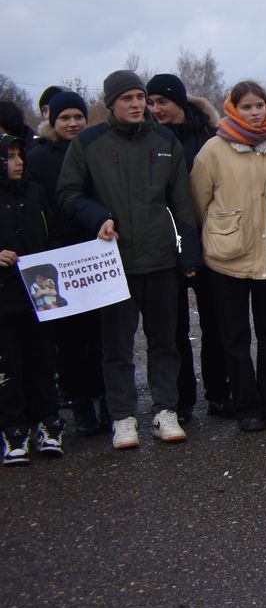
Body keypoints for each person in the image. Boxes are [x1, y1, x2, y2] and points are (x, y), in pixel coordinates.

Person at [57, 70, 199, 449]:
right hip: (114, 263)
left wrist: (189, 253)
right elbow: (68, 193)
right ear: (112, 104)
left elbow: (182, 201)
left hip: (161, 259)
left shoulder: (165, 140)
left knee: (165, 341)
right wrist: (98, 217)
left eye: (141, 97)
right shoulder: (89, 143)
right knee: (117, 345)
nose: (138, 104)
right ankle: (123, 417)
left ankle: (165, 411)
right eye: (129, 99)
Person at [189, 81, 266, 432]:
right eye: (246, 107)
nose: (254, 112)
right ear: (233, 108)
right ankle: (246, 407)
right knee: (234, 337)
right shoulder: (213, 150)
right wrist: (218, 232)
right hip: (227, 257)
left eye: (259, 106)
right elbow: (199, 202)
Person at [25, 91, 107, 436]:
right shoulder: (38, 157)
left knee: (101, 332)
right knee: (68, 337)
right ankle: (80, 402)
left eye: (78, 117)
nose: (72, 123)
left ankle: (104, 398)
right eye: (65, 118)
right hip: (54, 256)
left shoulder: (94, 149)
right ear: (52, 122)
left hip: (93, 252)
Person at [147, 72, 227, 421]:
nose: (155, 108)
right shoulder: (151, 139)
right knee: (173, 326)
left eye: (161, 101)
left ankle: (220, 393)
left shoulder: (209, 134)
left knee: (215, 322)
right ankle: (181, 400)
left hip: (209, 239)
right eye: (150, 103)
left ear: (178, 101)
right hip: (168, 242)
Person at [0, 134, 64, 464]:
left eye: (19, 155)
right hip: (5, 300)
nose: (19, 161)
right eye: (10, 157)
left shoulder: (36, 193)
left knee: (43, 362)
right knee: (9, 366)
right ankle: (14, 430)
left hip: (41, 294)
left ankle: (49, 423)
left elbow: (52, 233)